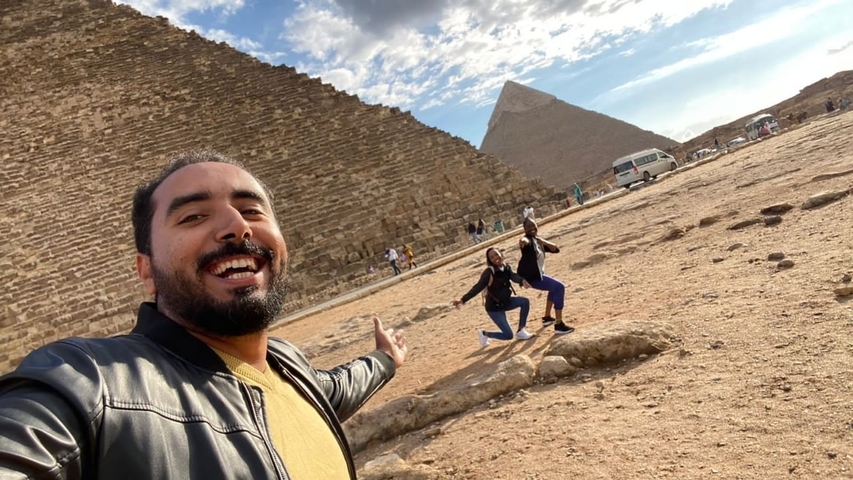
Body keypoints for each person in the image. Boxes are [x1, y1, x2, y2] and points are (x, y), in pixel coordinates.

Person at [0, 150, 408, 479]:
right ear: (147, 272)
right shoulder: (92, 386)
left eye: (251, 210)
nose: (236, 226)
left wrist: (385, 359)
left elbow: (335, 389)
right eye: (193, 216)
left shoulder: (289, 368)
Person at [451, 248, 533, 347]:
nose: (495, 258)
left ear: (501, 254)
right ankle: (484, 334)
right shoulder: (489, 272)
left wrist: (522, 281)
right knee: (508, 335)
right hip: (494, 308)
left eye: (496, 255)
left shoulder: (506, 267)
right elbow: (478, 287)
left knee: (525, 302)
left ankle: (521, 330)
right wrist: (463, 299)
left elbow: (513, 276)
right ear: (490, 260)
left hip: (506, 302)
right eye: (492, 257)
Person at [517, 218, 575, 335]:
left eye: (533, 226)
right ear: (525, 229)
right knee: (559, 287)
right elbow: (524, 241)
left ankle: (547, 318)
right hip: (531, 278)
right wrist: (523, 240)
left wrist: (543, 241)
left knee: (553, 288)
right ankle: (559, 324)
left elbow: (556, 249)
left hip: (538, 275)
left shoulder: (537, 242)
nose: (532, 228)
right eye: (528, 227)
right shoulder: (528, 241)